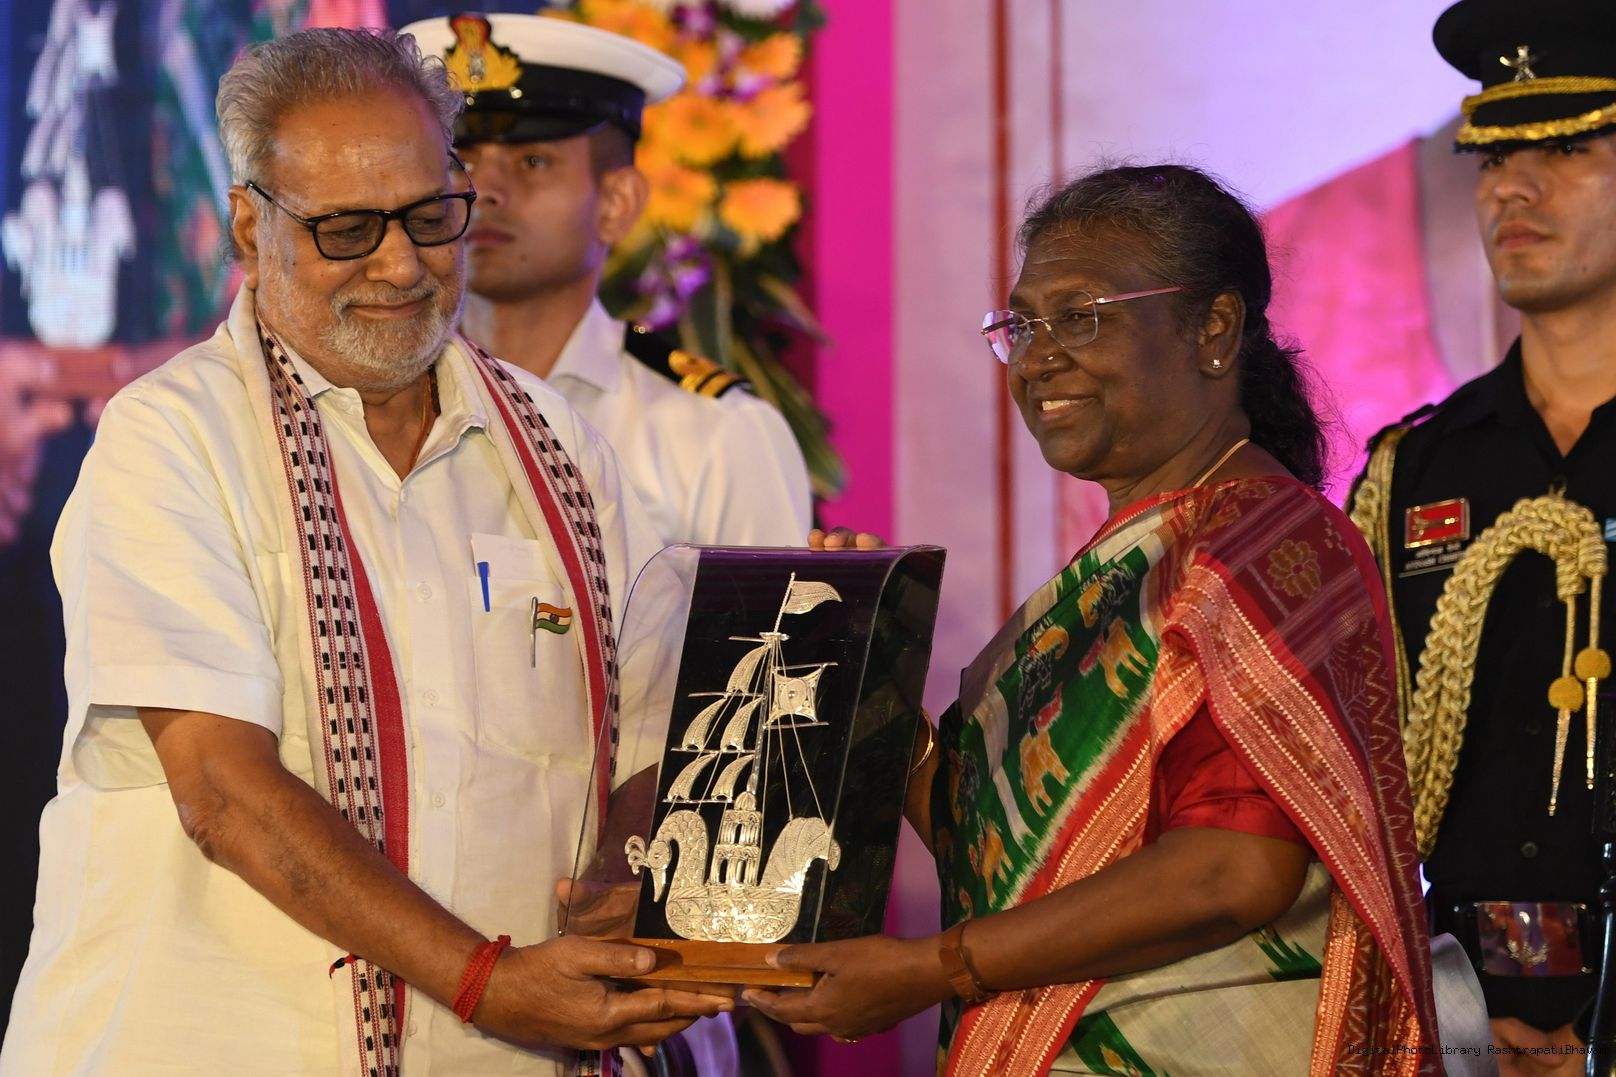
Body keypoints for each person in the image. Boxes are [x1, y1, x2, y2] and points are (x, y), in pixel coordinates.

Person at [0, 28, 731, 1077]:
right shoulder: (172, 438)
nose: (400, 264)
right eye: (345, 229)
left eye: (430, 217)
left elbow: (658, 726)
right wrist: (487, 982)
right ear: (249, 227)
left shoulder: (559, 445)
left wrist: (618, 894)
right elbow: (221, 790)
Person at [747, 165, 1442, 1075]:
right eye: (1022, 325)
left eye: (1080, 317)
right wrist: (867, 671)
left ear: (1213, 328)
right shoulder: (1139, 555)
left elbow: (1233, 871)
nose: (1037, 358)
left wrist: (929, 968)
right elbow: (996, 856)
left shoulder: (1262, 547)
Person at [1346, 1, 1616, 1069]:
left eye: (1566, 149)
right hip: (1462, 1016)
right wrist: (1444, 1021)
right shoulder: (1414, 471)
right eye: (1493, 156)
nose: (1511, 187)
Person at [401, 12, 812, 547]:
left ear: (617, 203)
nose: (485, 191)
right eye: (461, 161)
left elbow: (774, 607)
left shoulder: (715, 432)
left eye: (533, 161)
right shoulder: (376, 403)